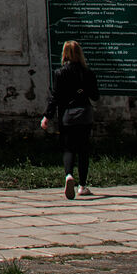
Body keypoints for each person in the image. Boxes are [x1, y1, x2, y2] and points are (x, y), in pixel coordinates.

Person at [42, 39, 100, 198]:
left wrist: (47, 116)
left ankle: (68, 175)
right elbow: (95, 96)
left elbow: (55, 97)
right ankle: (82, 186)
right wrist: (84, 89)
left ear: (64, 54)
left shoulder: (60, 73)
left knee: (68, 148)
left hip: (68, 115)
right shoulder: (88, 73)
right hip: (84, 114)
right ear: (80, 53)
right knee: (83, 149)